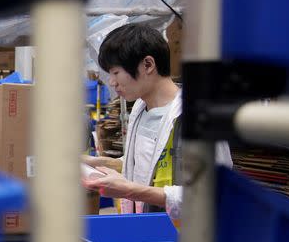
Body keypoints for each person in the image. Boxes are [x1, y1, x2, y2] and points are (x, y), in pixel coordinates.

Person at [82, 22, 232, 221]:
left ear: (148, 65)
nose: (111, 81)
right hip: (149, 231)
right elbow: (147, 162)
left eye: (116, 72)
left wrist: (130, 190)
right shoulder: (140, 109)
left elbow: (211, 194)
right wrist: (96, 163)